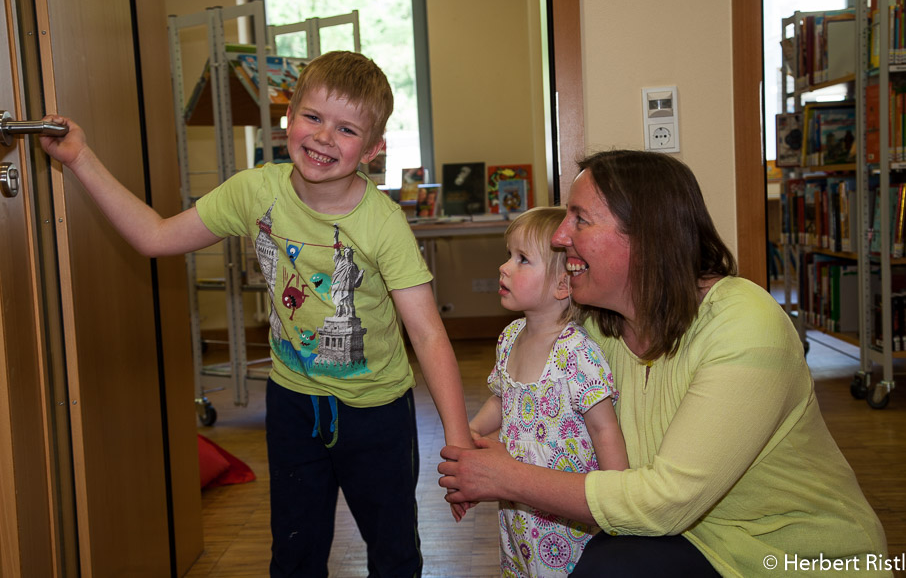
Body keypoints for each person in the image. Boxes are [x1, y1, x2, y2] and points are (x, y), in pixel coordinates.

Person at [40, 50, 474, 578]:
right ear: (288, 117)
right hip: (293, 402)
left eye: (346, 129)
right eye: (313, 117)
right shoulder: (255, 191)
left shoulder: (382, 224)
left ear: (374, 149)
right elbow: (154, 237)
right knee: (294, 553)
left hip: (376, 411)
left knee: (394, 553)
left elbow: (427, 335)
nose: (322, 138)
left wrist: (457, 447)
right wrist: (81, 157)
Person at [440, 150, 891, 577]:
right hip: (687, 539)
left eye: (580, 220)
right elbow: (529, 401)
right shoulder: (591, 332)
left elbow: (664, 502)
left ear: (648, 237)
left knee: (609, 566)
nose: (560, 236)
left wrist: (509, 477)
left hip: (794, 559)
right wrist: (475, 452)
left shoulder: (744, 323)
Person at [468, 206, 628, 576]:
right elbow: (503, 398)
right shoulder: (509, 338)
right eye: (509, 255)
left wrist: (619, 500)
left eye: (522, 259)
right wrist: (472, 431)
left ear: (561, 285)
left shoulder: (576, 352)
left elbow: (604, 428)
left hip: (566, 520)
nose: (504, 267)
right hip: (518, 511)